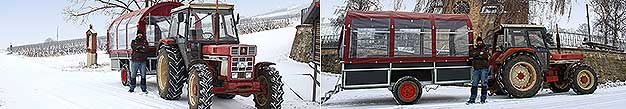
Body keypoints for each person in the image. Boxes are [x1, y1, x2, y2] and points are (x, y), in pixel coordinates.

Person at [468, 36, 490, 104]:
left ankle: (483, 99)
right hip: (476, 69)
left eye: (480, 41)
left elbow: (485, 56)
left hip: (484, 69)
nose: (479, 42)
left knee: (484, 83)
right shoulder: (474, 49)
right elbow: (471, 54)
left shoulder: (485, 49)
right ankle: (472, 99)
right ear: (476, 42)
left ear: (482, 41)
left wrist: (477, 55)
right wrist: (479, 54)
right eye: (478, 41)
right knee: (474, 84)